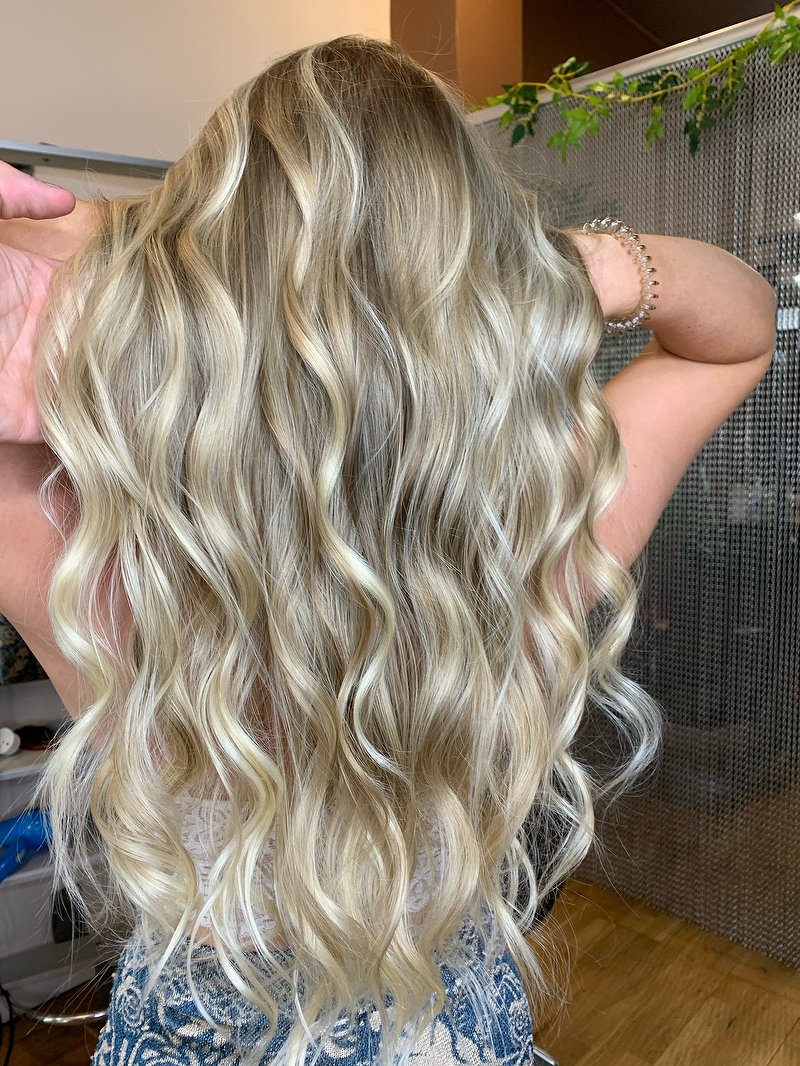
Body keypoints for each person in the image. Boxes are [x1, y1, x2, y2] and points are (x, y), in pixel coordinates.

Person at [0, 34, 776, 1066]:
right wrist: (550, 261)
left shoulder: (77, 544)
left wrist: (116, 240)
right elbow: (738, 328)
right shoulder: (535, 538)